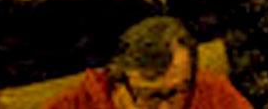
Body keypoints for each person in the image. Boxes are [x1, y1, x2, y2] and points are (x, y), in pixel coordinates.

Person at [53, 16, 251, 109]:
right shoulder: (78, 104)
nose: (164, 108)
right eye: (152, 96)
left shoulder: (213, 93)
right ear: (118, 82)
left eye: (174, 93)